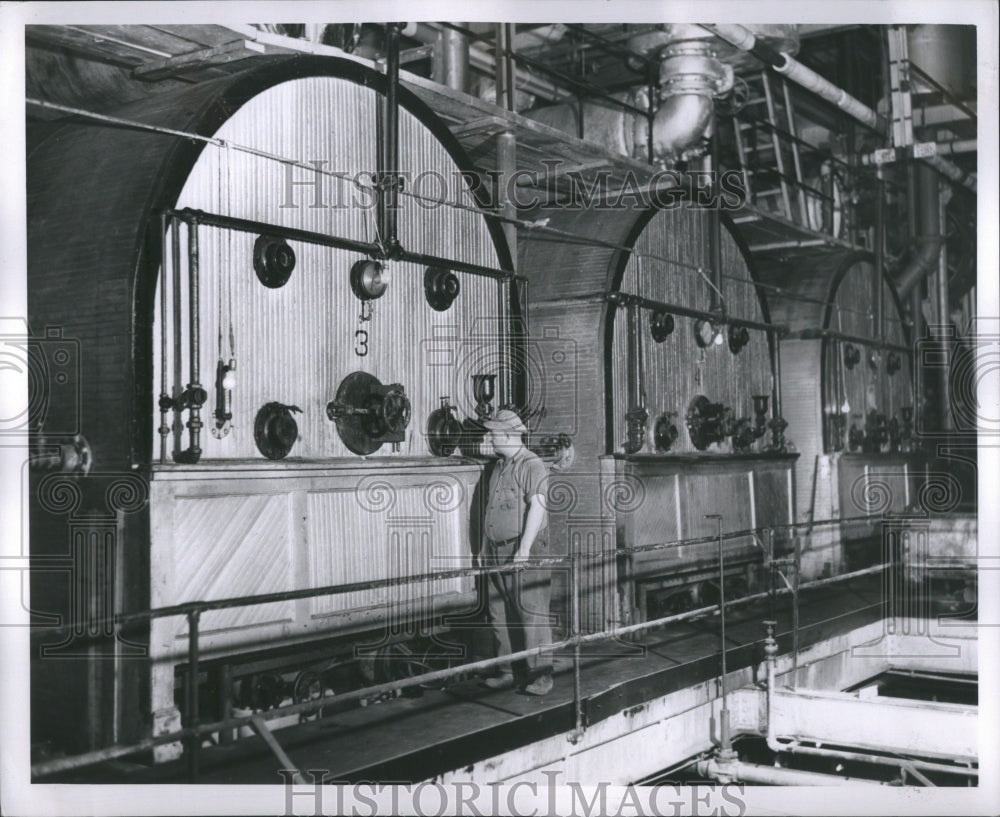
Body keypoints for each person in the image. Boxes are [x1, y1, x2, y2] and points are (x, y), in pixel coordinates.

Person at [479, 409, 554, 696]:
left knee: (531, 611)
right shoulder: (499, 465)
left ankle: (541, 676)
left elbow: (538, 506)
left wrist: (523, 550)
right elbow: (492, 510)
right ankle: (509, 671)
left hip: (523, 549)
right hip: (497, 552)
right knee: (500, 612)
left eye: (494, 433)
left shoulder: (531, 464)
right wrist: (484, 549)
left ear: (509, 435)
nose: (490, 437)